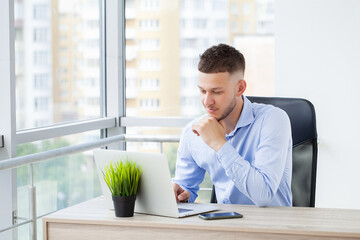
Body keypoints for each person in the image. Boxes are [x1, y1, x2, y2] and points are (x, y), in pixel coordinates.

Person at [172, 43, 292, 207]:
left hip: (272, 227)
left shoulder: (273, 120)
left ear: (240, 88)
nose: (207, 102)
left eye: (217, 92)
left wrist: (219, 144)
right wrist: (181, 194)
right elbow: (186, 188)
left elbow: (263, 195)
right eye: (202, 91)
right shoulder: (192, 133)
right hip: (225, 225)